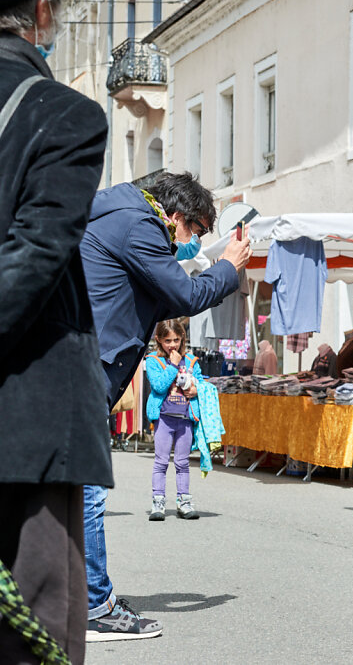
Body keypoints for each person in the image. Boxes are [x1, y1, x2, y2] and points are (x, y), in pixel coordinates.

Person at [80, 171, 251, 641]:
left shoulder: (120, 215)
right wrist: (230, 268)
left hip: (71, 363)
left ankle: (81, 597)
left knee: (62, 490)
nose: (190, 241)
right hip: (80, 370)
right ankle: (94, 606)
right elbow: (186, 296)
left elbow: (160, 291)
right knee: (87, 491)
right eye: (193, 231)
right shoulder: (140, 226)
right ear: (175, 214)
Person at [0, 0, 111, 660]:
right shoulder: (64, 113)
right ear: (43, 12)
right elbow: (34, 256)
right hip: (25, 419)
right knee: (31, 631)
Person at [145, 319, 203, 521]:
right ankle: (158, 501)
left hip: (185, 419)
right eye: (168, 340)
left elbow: (202, 385)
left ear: (182, 339)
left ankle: (184, 501)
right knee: (161, 462)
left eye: (176, 340)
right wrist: (173, 364)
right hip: (164, 418)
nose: (172, 345)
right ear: (158, 339)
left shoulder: (192, 360)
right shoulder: (153, 360)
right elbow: (159, 386)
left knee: (182, 463)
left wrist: (196, 390)